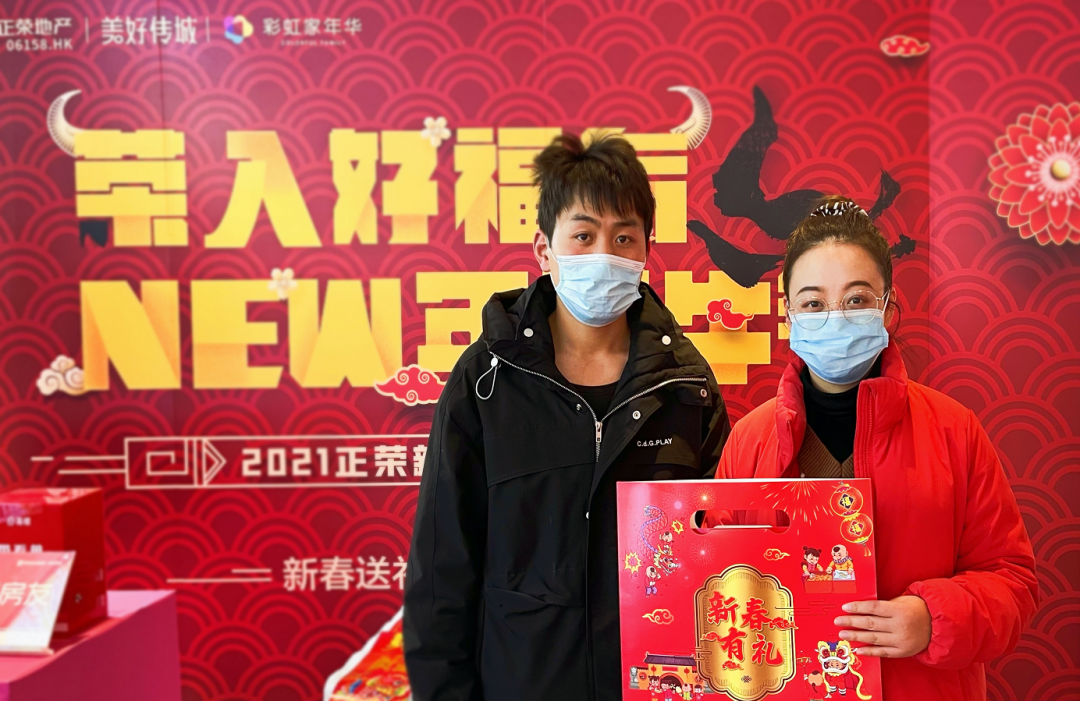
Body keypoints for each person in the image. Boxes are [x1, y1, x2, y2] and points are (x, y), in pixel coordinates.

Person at [403, 133, 730, 700]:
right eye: (583, 235)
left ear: (646, 251)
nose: (604, 253)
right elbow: (442, 568)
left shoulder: (685, 385)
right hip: (521, 683)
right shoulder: (486, 380)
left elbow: (722, 557)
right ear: (544, 249)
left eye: (623, 237)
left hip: (655, 684)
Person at [706, 195, 1038, 699]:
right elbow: (715, 578)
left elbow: (1012, 581)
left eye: (857, 299)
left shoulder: (954, 430)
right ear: (788, 312)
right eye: (813, 303)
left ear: (887, 305)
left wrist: (935, 618)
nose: (835, 317)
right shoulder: (750, 440)